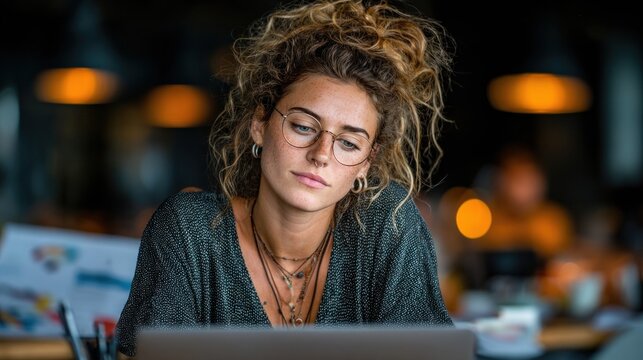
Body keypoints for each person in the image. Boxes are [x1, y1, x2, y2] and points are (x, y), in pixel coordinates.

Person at [116, 0, 454, 356]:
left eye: (349, 143)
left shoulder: (388, 225)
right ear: (259, 125)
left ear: (366, 164)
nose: (321, 154)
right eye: (303, 126)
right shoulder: (190, 230)